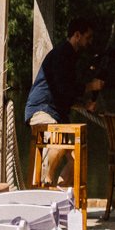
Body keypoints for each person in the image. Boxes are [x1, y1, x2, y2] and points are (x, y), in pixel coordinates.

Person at [26, 16, 104, 188]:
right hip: (42, 110)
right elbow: (63, 88)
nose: (90, 42)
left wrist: (85, 105)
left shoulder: (71, 56)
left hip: (57, 112)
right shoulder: (62, 53)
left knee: (77, 159)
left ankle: (58, 194)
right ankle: (46, 180)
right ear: (77, 35)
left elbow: (66, 94)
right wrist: (91, 86)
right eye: (88, 37)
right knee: (59, 142)